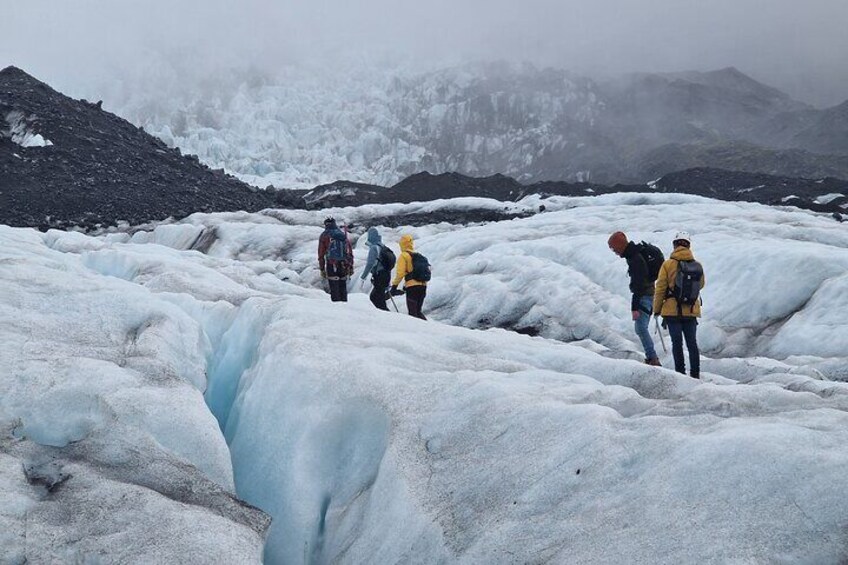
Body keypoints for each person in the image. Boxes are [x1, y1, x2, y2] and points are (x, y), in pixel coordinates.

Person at [653, 231, 705, 379]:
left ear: (675, 245)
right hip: (691, 310)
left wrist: (657, 310)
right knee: (692, 344)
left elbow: (660, 288)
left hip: (672, 312)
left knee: (677, 344)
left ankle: (680, 374)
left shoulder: (668, 264)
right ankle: (695, 375)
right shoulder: (697, 265)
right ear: (688, 245)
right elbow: (701, 284)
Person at [608, 231, 661, 366]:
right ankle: (651, 357)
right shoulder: (634, 253)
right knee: (640, 328)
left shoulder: (635, 258)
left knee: (641, 328)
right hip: (649, 294)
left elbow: (639, 283)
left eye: (614, 248)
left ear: (620, 245)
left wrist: (635, 307)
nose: (614, 252)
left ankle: (652, 359)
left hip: (645, 296)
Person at [391, 234, 428, 320]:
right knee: (418, 312)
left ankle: (417, 332)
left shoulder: (404, 255)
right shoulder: (419, 256)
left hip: (412, 287)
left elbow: (400, 273)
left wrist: (394, 286)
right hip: (423, 286)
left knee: (413, 313)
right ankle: (428, 329)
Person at [318, 217, 353, 302]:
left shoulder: (324, 235)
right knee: (342, 287)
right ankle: (345, 306)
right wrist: (350, 266)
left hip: (331, 264)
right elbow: (349, 252)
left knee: (334, 288)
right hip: (344, 264)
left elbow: (321, 254)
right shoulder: (341, 234)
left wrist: (322, 269)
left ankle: (337, 309)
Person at [359, 227, 393, 311]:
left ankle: (385, 316)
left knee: (375, 298)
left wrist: (363, 276)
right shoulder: (383, 247)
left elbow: (370, 263)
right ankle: (384, 314)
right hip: (386, 275)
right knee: (378, 297)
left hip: (379, 276)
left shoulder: (374, 248)